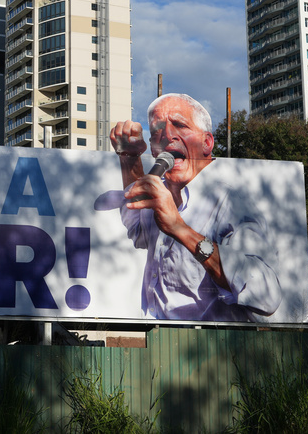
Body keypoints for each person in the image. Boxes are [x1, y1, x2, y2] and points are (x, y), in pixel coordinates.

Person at [110, 93, 282, 322]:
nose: (168, 135)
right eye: (158, 130)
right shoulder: (162, 191)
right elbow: (139, 232)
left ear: (207, 143)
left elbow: (267, 297)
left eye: (180, 125)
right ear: (152, 147)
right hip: (157, 338)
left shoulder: (233, 201)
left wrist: (180, 229)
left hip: (209, 342)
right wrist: (130, 158)